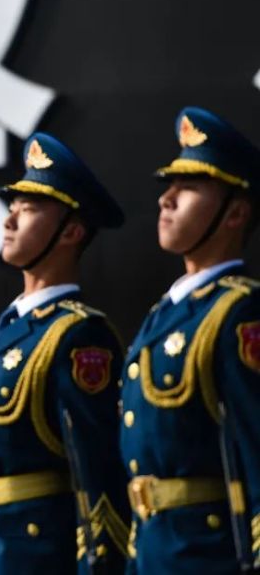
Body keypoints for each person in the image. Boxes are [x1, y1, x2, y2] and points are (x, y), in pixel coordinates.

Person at [0, 133, 130, 574]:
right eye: (12, 206)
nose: (10, 220)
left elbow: (98, 476)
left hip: (42, 556)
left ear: (71, 231)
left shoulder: (79, 334)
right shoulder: (10, 327)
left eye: (30, 209)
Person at [121, 107, 260, 573]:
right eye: (169, 185)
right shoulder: (166, 313)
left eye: (189, 187)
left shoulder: (240, 312)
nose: (167, 199)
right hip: (153, 554)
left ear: (235, 213)